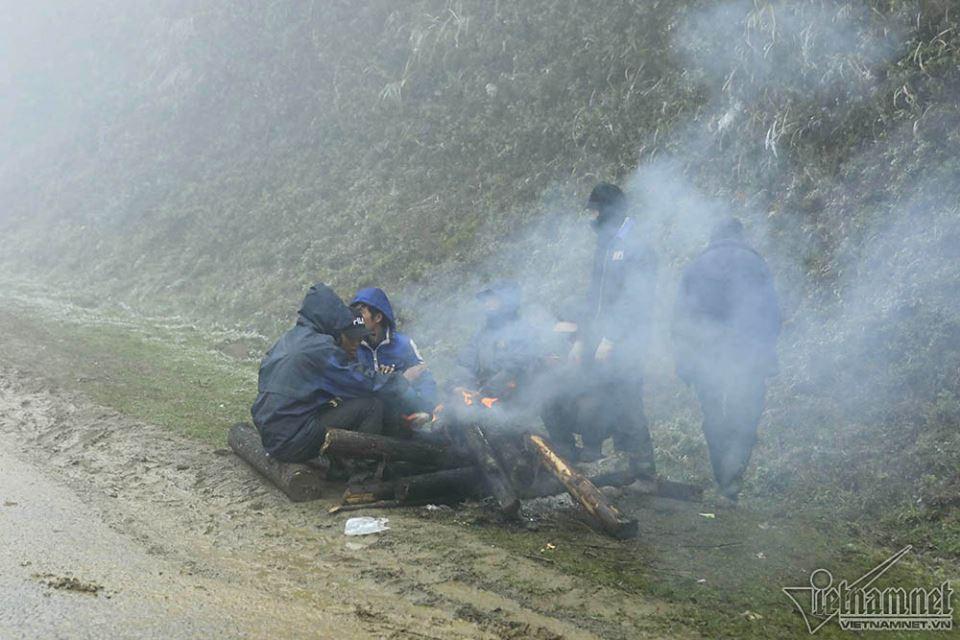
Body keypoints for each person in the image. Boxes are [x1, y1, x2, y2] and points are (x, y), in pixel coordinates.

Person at [672, 217, 781, 501]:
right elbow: (771, 314)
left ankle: (722, 477)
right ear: (740, 236)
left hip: (707, 356)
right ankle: (732, 482)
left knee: (714, 417)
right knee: (744, 416)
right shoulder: (757, 265)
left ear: (713, 237)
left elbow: (682, 319)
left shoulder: (697, 266)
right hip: (748, 356)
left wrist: (685, 361)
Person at [251, 283, 414, 463]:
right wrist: (401, 382)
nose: (356, 344)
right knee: (371, 406)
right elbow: (364, 383)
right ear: (331, 320)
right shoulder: (321, 348)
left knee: (337, 406)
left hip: (272, 433)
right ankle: (362, 478)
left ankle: (338, 465)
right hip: (291, 440)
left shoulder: (290, 338)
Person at [564, 183, 658, 468]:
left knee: (627, 403)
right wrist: (583, 336)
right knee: (597, 396)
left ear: (609, 211)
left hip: (628, 340)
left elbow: (635, 300)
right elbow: (594, 297)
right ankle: (613, 466)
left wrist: (612, 339)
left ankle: (643, 473)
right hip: (600, 335)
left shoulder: (636, 247)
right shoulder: (605, 246)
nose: (591, 218)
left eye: (594, 211)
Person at [350, 287, 438, 425]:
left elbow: (424, 379)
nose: (355, 316)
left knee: (408, 393)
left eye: (361, 310)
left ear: (378, 317)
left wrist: (428, 412)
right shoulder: (353, 346)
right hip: (368, 413)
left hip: (402, 413)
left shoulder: (403, 344)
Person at [454, 281, 540, 403]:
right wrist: (467, 385)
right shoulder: (481, 333)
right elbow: (465, 361)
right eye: (485, 301)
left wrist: (486, 391)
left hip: (514, 396)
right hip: (482, 393)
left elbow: (518, 364)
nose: (487, 304)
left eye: (492, 299)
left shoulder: (524, 329)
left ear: (507, 301)